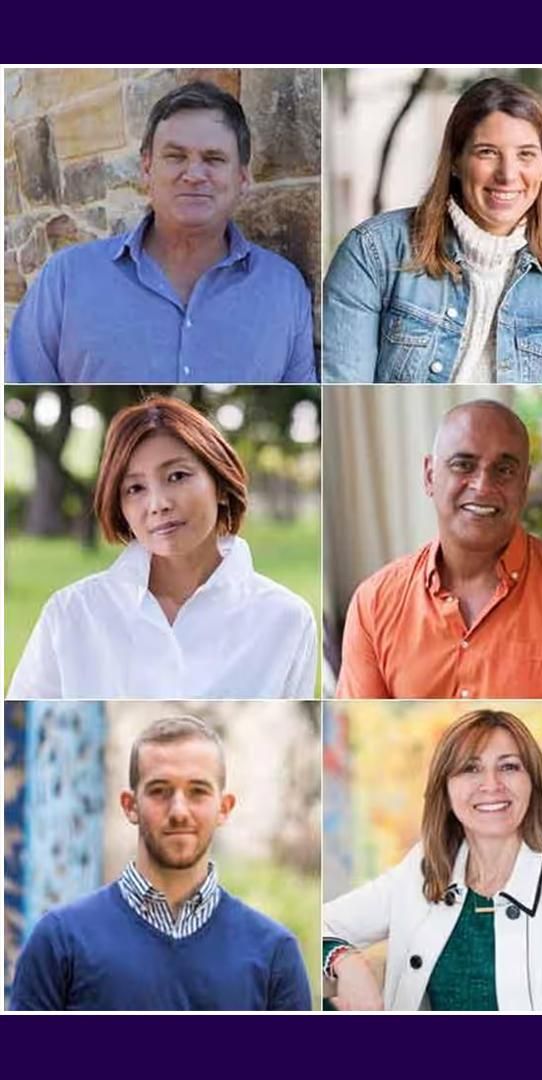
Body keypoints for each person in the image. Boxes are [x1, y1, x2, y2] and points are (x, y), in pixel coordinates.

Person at [6, 81, 315, 384]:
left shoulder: (284, 290)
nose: (194, 175)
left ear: (242, 177)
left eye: (214, 159)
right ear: (146, 169)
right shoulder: (66, 280)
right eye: (175, 156)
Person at [7, 397, 317, 698]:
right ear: (121, 505)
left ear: (220, 486)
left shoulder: (287, 619)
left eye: (177, 476)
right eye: (135, 488)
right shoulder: (71, 615)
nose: (159, 504)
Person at [336, 399, 542, 698]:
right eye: (463, 465)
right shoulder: (375, 602)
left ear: (524, 483)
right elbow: (358, 740)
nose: (482, 486)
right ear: (430, 476)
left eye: (504, 470)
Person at [8, 717, 310, 1011]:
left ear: (224, 808)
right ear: (130, 805)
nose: (179, 810)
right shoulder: (60, 940)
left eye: (197, 792)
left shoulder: (273, 953)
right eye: (159, 791)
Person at [321, 709, 542, 1011]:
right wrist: (344, 960)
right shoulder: (422, 869)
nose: (491, 784)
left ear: (533, 784)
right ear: (445, 791)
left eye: (509, 767)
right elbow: (321, 923)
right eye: (470, 769)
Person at [323, 77, 542, 383]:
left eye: (525, 154)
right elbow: (343, 384)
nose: (508, 175)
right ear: (455, 160)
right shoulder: (373, 252)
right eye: (487, 152)